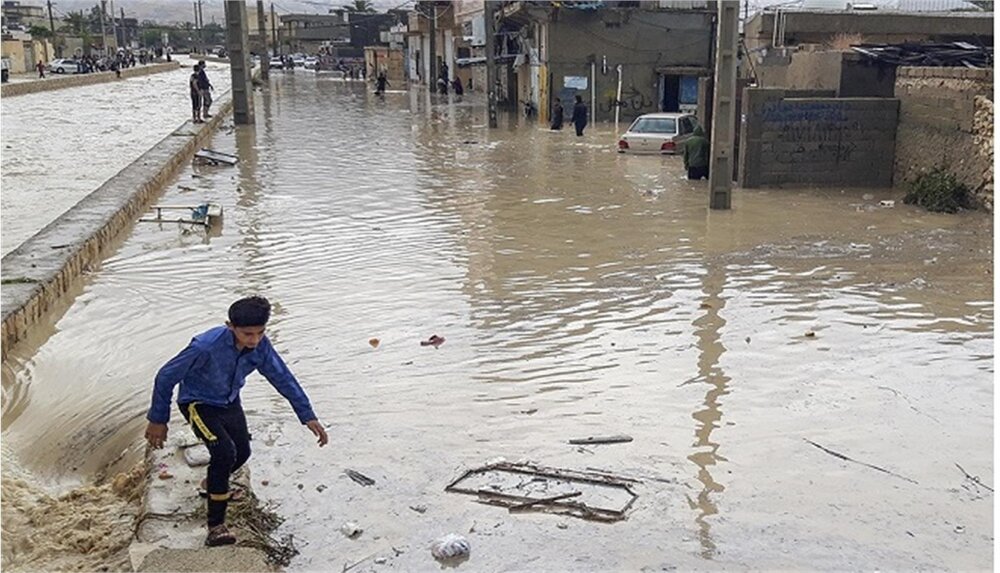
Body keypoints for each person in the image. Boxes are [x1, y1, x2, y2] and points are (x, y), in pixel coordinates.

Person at [145, 296, 329, 547]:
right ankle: (216, 526)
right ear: (230, 325)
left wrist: (307, 414)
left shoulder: (260, 346)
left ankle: (212, 483)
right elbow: (166, 377)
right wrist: (158, 419)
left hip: (229, 400)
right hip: (198, 402)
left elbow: (282, 377)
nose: (254, 340)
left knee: (242, 452)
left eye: (260, 333)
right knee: (223, 452)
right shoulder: (205, 347)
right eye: (247, 334)